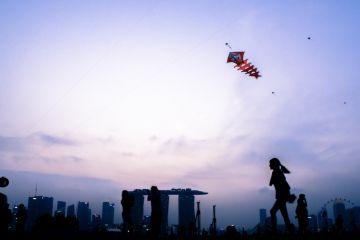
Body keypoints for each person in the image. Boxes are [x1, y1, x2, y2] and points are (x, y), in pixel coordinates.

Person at [269, 158, 296, 234]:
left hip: (281, 197)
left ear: (274, 164)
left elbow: (271, 184)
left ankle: (274, 230)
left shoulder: (276, 172)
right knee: (285, 215)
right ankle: (290, 230)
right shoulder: (277, 172)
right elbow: (272, 183)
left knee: (273, 211)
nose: (269, 165)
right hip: (282, 197)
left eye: (270, 163)